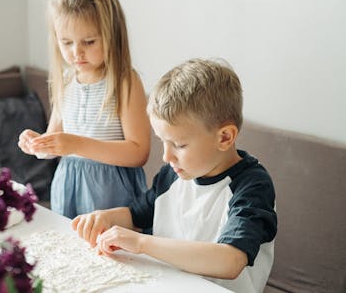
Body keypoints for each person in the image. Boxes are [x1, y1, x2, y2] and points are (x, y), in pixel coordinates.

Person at [71, 59, 277, 293]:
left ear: (224, 138)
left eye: (179, 145)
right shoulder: (173, 174)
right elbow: (137, 215)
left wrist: (141, 243)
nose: (166, 156)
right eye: (163, 142)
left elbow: (230, 260)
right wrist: (105, 218)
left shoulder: (252, 186)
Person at [18, 0, 151, 218]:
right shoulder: (66, 81)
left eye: (89, 41)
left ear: (111, 35)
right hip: (69, 187)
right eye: (66, 42)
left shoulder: (125, 81)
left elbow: (138, 152)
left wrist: (75, 144)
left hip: (111, 195)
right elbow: (57, 138)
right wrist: (38, 144)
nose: (76, 52)